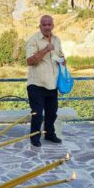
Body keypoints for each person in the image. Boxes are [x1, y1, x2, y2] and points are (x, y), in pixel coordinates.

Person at [26, 15, 65, 148]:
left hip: (52, 84)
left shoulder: (57, 40)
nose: (47, 27)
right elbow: (30, 61)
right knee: (37, 114)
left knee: (52, 114)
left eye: (49, 24)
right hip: (36, 84)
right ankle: (34, 138)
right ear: (40, 26)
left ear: (53, 25)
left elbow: (61, 55)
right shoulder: (33, 40)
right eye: (44, 24)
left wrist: (63, 60)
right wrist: (46, 50)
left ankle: (49, 134)